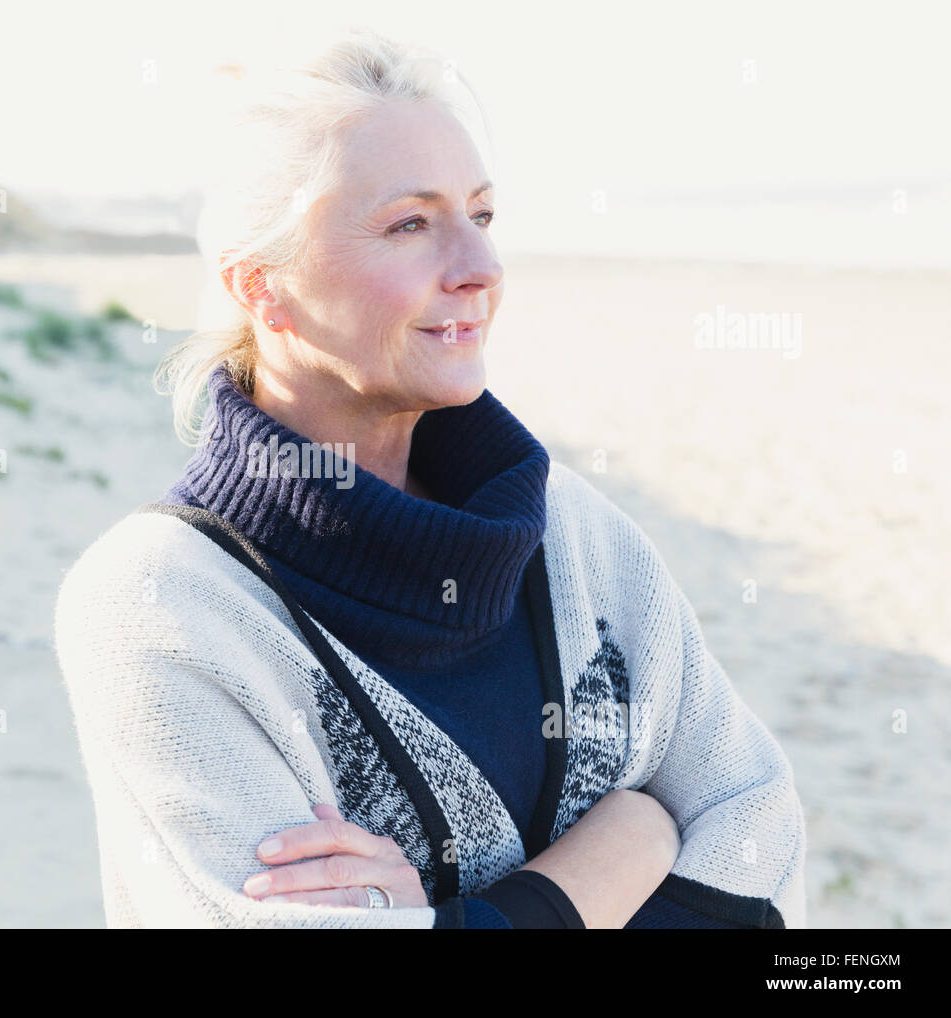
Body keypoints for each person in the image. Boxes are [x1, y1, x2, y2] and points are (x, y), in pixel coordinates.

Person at [53, 28, 807, 929]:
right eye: (409, 224)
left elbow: (757, 825)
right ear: (263, 287)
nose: (480, 269)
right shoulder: (159, 603)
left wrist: (450, 917)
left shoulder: (574, 533)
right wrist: (626, 846)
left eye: (481, 216)